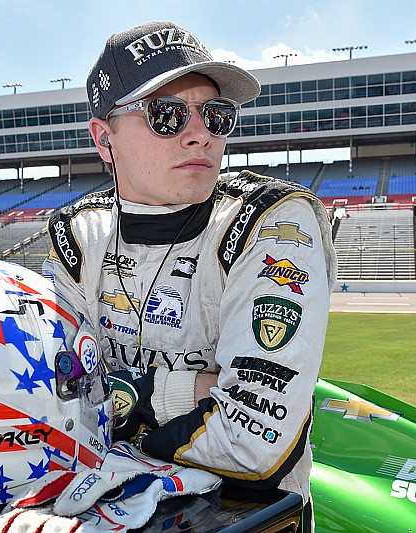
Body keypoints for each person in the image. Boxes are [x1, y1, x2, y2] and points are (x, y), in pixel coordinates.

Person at [43, 20, 336, 530]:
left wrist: (116, 396)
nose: (199, 133)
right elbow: (43, 406)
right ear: (103, 137)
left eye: (215, 115)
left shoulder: (269, 221)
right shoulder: (78, 236)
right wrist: (199, 389)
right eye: (166, 114)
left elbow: (252, 443)